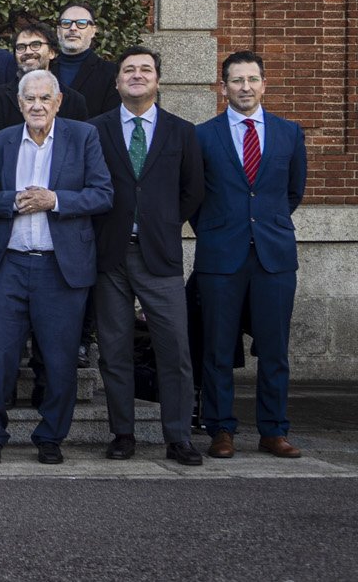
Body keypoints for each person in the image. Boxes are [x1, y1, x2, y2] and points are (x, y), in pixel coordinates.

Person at [0, 69, 112, 465]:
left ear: (58, 102)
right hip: (7, 266)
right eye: (29, 99)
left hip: (60, 268)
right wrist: (13, 202)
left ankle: (51, 437)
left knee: (60, 359)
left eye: (44, 98)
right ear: (19, 104)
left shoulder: (82, 137)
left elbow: (103, 194)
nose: (36, 105)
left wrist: (56, 200)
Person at [90, 46, 205, 466]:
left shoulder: (182, 132)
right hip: (110, 256)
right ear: (117, 81)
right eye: (128, 70)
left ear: (157, 80)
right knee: (115, 349)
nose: (137, 75)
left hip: (160, 254)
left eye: (145, 69)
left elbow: (193, 190)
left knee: (174, 348)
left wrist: (164, 222)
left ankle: (178, 437)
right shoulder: (95, 130)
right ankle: (123, 433)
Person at [193, 50, 309, 460]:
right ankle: (221, 429)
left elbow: (292, 192)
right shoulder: (203, 136)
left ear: (264, 84)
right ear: (223, 87)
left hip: (274, 257)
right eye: (236, 80)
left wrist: (262, 224)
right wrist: (218, 229)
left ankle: (273, 430)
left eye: (252, 79)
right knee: (218, 349)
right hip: (220, 257)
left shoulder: (289, 133)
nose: (245, 87)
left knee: (274, 350)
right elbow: (194, 197)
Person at [50, 1, 117, 118]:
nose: (73, 28)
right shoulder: (45, 68)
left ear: (93, 31)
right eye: (66, 23)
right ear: (58, 31)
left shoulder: (110, 73)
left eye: (81, 23)